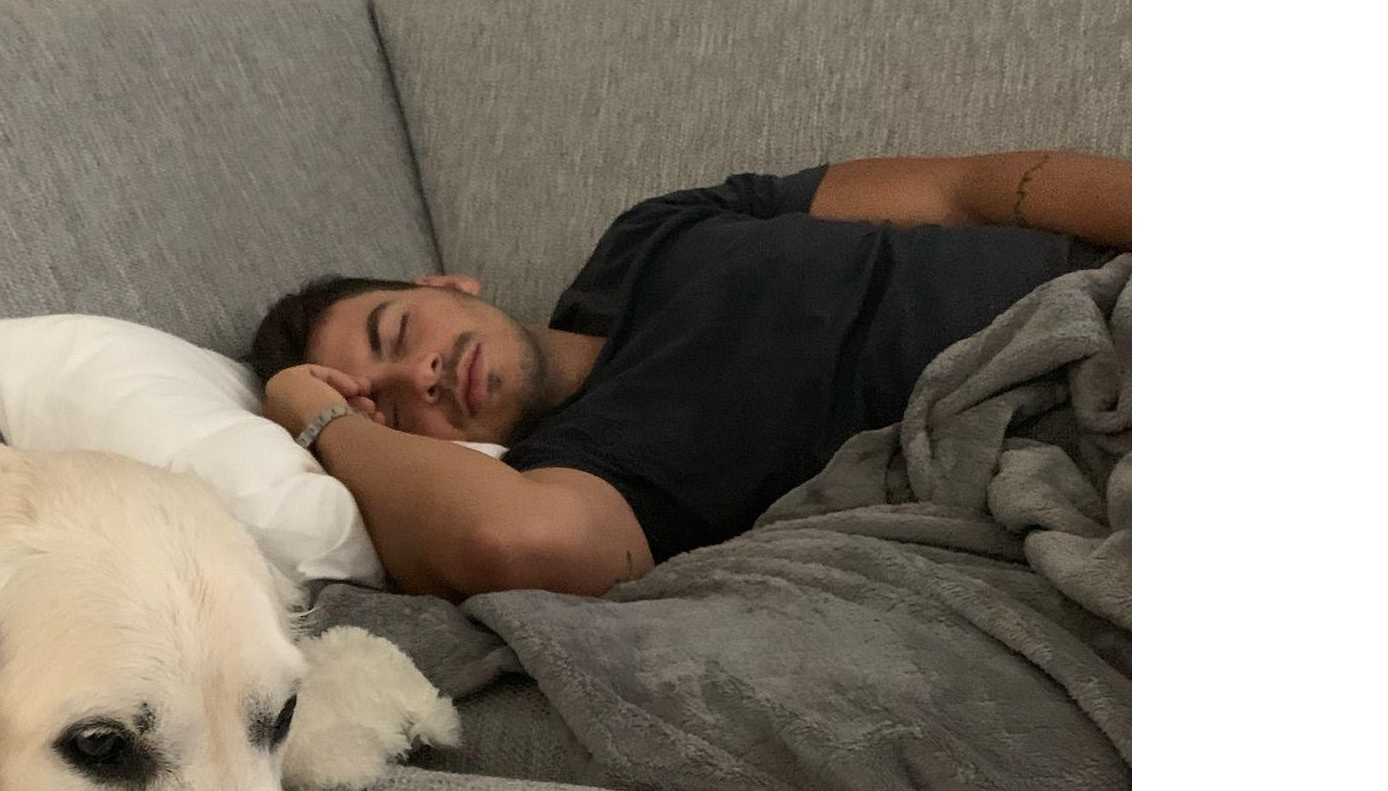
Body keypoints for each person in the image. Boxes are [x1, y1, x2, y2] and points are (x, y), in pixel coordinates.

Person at [246, 151, 1130, 600]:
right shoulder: (579, 470)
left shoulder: (651, 234)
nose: (426, 376)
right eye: (393, 408)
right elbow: (507, 542)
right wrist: (317, 421)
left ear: (444, 283)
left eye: (400, 331)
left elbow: (970, 189)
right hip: (1063, 428)